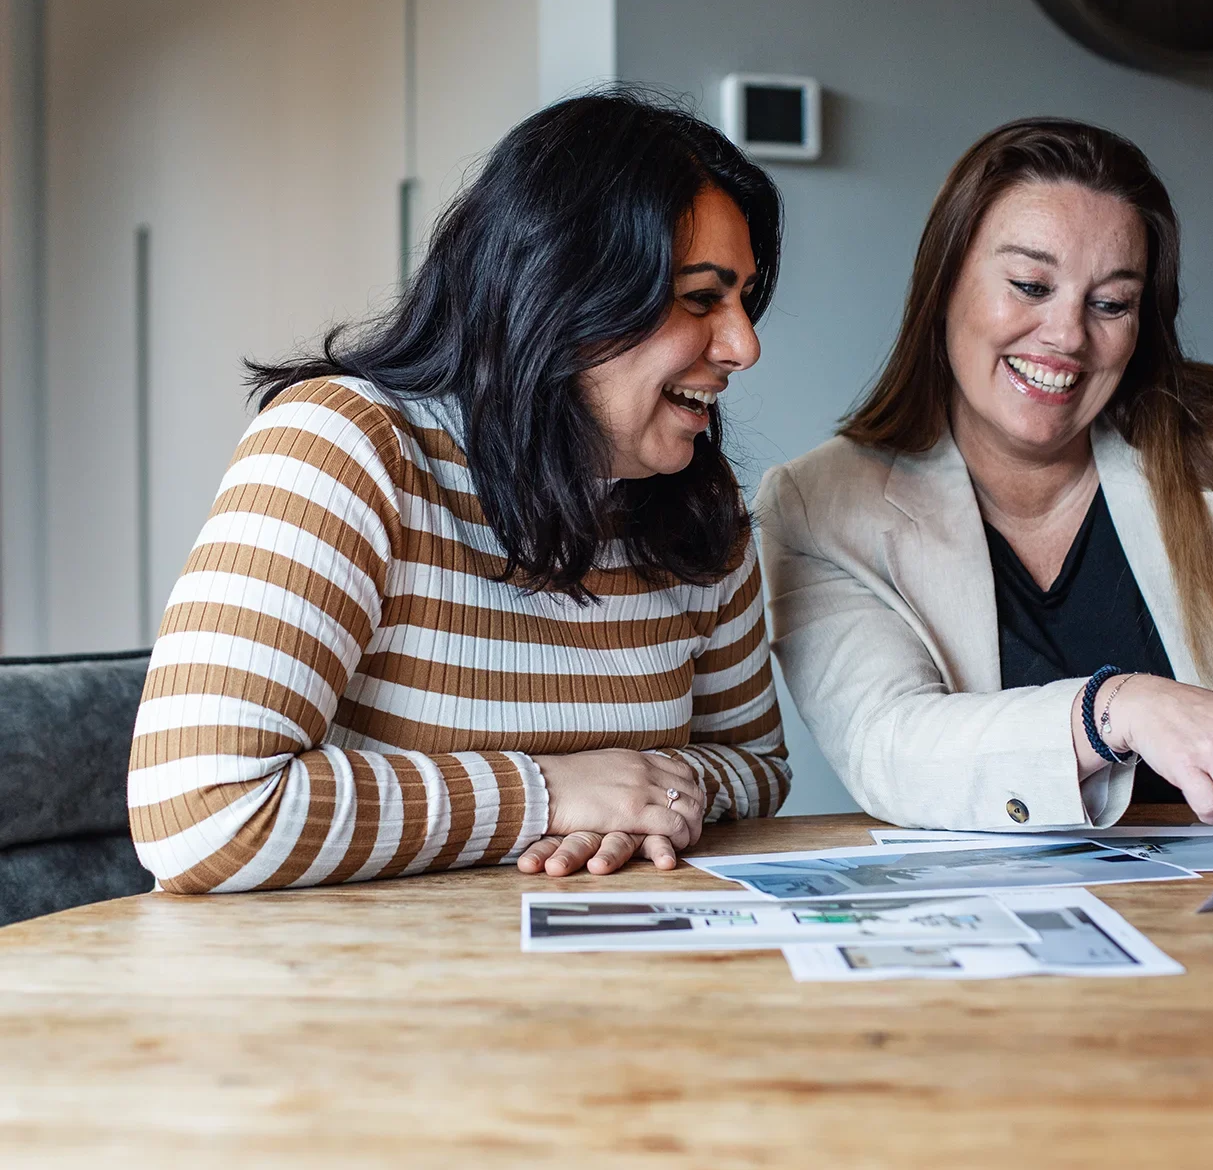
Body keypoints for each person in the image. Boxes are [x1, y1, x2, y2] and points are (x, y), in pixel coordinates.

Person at [128, 91, 790, 894]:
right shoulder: (346, 445)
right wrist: (547, 793)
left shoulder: (698, 509)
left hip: (604, 979)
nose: (744, 345)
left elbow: (756, 767)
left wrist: (640, 797)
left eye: (744, 301)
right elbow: (198, 811)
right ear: (562, 290)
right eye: (700, 298)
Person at [757, 117, 1213, 831]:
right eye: (1030, 285)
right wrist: (1115, 709)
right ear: (943, 287)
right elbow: (889, 746)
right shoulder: (814, 508)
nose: (1067, 336)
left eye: (1111, 303)